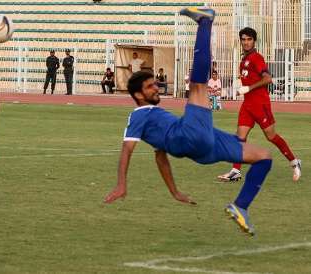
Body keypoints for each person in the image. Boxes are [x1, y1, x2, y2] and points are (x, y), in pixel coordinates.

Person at [104, 8, 273, 236]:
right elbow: (127, 149)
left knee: (264, 157)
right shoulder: (139, 115)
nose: (156, 88)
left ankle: (241, 206)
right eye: (150, 87)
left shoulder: (154, 117)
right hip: (190, 135)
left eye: (155, 83)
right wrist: (121, 183)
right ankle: (205, 22)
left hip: (203, 147)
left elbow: (160, 156)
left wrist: (174, 191)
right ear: (138, 95)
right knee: (198, 85)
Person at [217, 27, 301, 182]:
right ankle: (236, 170)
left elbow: (268, 79)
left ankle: (295, 162)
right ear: (240, 41)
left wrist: (248, 88)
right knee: (239, 137)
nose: (246, 42)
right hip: (247, 105)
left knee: (271, 136)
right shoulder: (244, 60)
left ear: (254, 41)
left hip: (260, 104)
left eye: (249, 39)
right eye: (243, 39)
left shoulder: (257, 58)